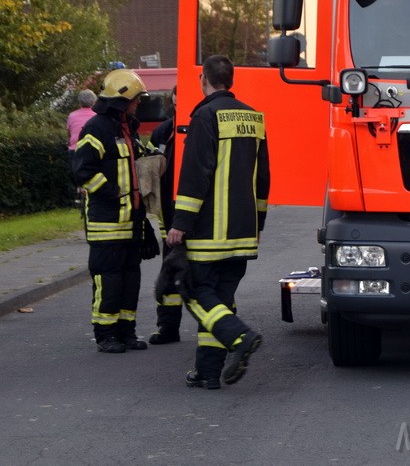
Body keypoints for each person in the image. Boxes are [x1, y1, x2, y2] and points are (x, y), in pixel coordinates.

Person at [167, 55, 270, 389]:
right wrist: (259, 221)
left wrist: (180, 223)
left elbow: (196, 174)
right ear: (231, 80)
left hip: (210, 233)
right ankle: (208, 372)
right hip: (243, 233)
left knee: (196, 293)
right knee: (220, 302)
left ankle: (240, 337)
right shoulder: (254, 118)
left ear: (203, 80)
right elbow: (263, 178)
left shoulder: (205, 116)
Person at [71, 69, 151, 353]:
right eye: (136, 98)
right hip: (106, 223)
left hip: (131, 222)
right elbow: (82, 171)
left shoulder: (127, 128)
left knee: (131, 280)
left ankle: (127, 332)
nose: (139, 103)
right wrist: (112, 192)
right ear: (122, 98)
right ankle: (106, 335)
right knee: (109, 280)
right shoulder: (97, 129)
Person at [148, 85, 182, 345]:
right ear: (173, 98)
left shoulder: (202, 126)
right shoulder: (163, 131)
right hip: (168, 216)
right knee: (168, 276)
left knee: (206, 276)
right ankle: (168, 328)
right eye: (177, 94)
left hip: (197, 218)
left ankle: (218, 328)